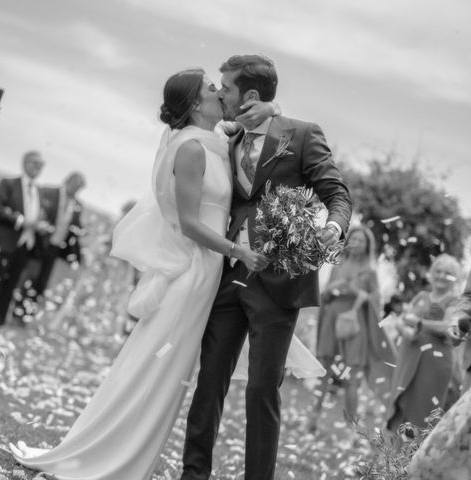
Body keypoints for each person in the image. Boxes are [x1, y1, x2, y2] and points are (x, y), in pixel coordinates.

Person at [10, 67, 327, 479]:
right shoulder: (192, 149)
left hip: (213, 273)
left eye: (222, 86)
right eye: (212, 89)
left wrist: (273, 107)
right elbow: (190, 223)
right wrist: (238, 251)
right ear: (196, 104)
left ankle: (124, 453)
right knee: (157, 368)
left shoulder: (217, 140)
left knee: (167, 370)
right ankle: (109, 458)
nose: (219, 92)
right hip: (196, 271)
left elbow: (264, 127)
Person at [180, 55, 352, 480]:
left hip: (279, 281)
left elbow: (338, 193)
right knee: (209, 383)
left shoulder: (303, 135)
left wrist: (333, 226)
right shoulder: (228, 135)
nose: (220, 93)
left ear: (250, 95)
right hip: (228, 275)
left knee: (262, 391)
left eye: (227, 87)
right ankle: (193, 473)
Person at [310, 225, 396, 431]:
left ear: (368, 246)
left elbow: (377, 303)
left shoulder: (370, 271)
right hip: (332, 319)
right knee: (323, 370)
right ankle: (312, 420)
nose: (356, 243)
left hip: (356, 324)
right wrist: (331, 289)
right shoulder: (337, 265)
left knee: (351, 376)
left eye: (361, 240)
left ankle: (352, 428)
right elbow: (324, 297)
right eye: (353, 239)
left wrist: (360, 292)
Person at [0, 151, 49, 331]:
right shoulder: (8, 184)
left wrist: (41, 225)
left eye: (41, 165)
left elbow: (39, 215)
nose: (39, 168)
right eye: (36, 164)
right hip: (4, 242)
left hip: (25, 246)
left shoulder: (40, 191)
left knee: (11, 286)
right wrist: (22, 221)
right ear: (25, 163)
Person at [386, 254, 462, 431]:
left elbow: (448, 327)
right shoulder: (421, 295)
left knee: (422, 411)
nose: (442, 276)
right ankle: (391, 454)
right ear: (431, 273)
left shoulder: (454, 301)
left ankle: (411, 457)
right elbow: (403, 320)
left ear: (455, 278)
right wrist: (403, 329)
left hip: (433, 365)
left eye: (448, 273)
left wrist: (421, 323)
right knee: (400, 403)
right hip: (408, 357)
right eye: (438, 271)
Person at [12, 172, 86, 320]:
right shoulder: (48, 192)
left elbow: (75, 227)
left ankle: (27, 315)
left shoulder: (78, 205)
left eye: (79, 188)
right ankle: (16, 310)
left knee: (42, 282)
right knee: (29, 277)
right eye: (75, 185)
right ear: (67, 180)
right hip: (40, 244)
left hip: (56, 248)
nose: (76, 190)